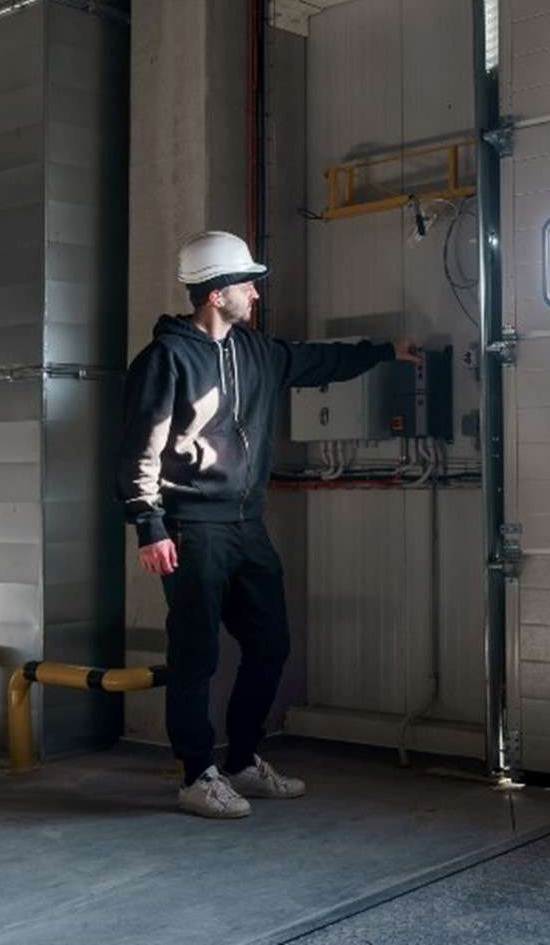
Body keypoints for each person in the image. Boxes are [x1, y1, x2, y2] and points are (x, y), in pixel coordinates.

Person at [117, 230, 418, 819]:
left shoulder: (255, 351)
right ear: (215, 292)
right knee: (196, 654)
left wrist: (384, 351)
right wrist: (147, 524)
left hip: (247, 525)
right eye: (246, 285)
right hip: (191, 527)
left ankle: (243, 762)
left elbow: (313, 359)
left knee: (269, 644)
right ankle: (197, 773)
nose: (255, 294)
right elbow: (138, 450)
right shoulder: (166, 359)